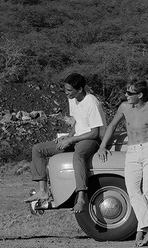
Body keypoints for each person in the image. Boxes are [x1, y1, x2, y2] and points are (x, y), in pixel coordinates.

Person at [97, 80, 148, 247]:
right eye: (126, 92)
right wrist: (102, 146)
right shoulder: (124, 107)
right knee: (133, 191)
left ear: (139, 95)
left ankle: (142, 232)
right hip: (132, 151)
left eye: (129, 93)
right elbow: (112, 126)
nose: (126, 95)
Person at [26, 73, 106, 213]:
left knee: (78, 155)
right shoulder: (73, 99)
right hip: (76, 137)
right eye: (65, 89)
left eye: (69, 90)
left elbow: (94, 133)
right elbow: (77, 121)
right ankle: (43, 191)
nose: (66, 93)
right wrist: (67, 136)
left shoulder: (91, 102)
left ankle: (81, 198)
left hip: (90, 139)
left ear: (80, 89)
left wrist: (71, 139)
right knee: (38, 149)